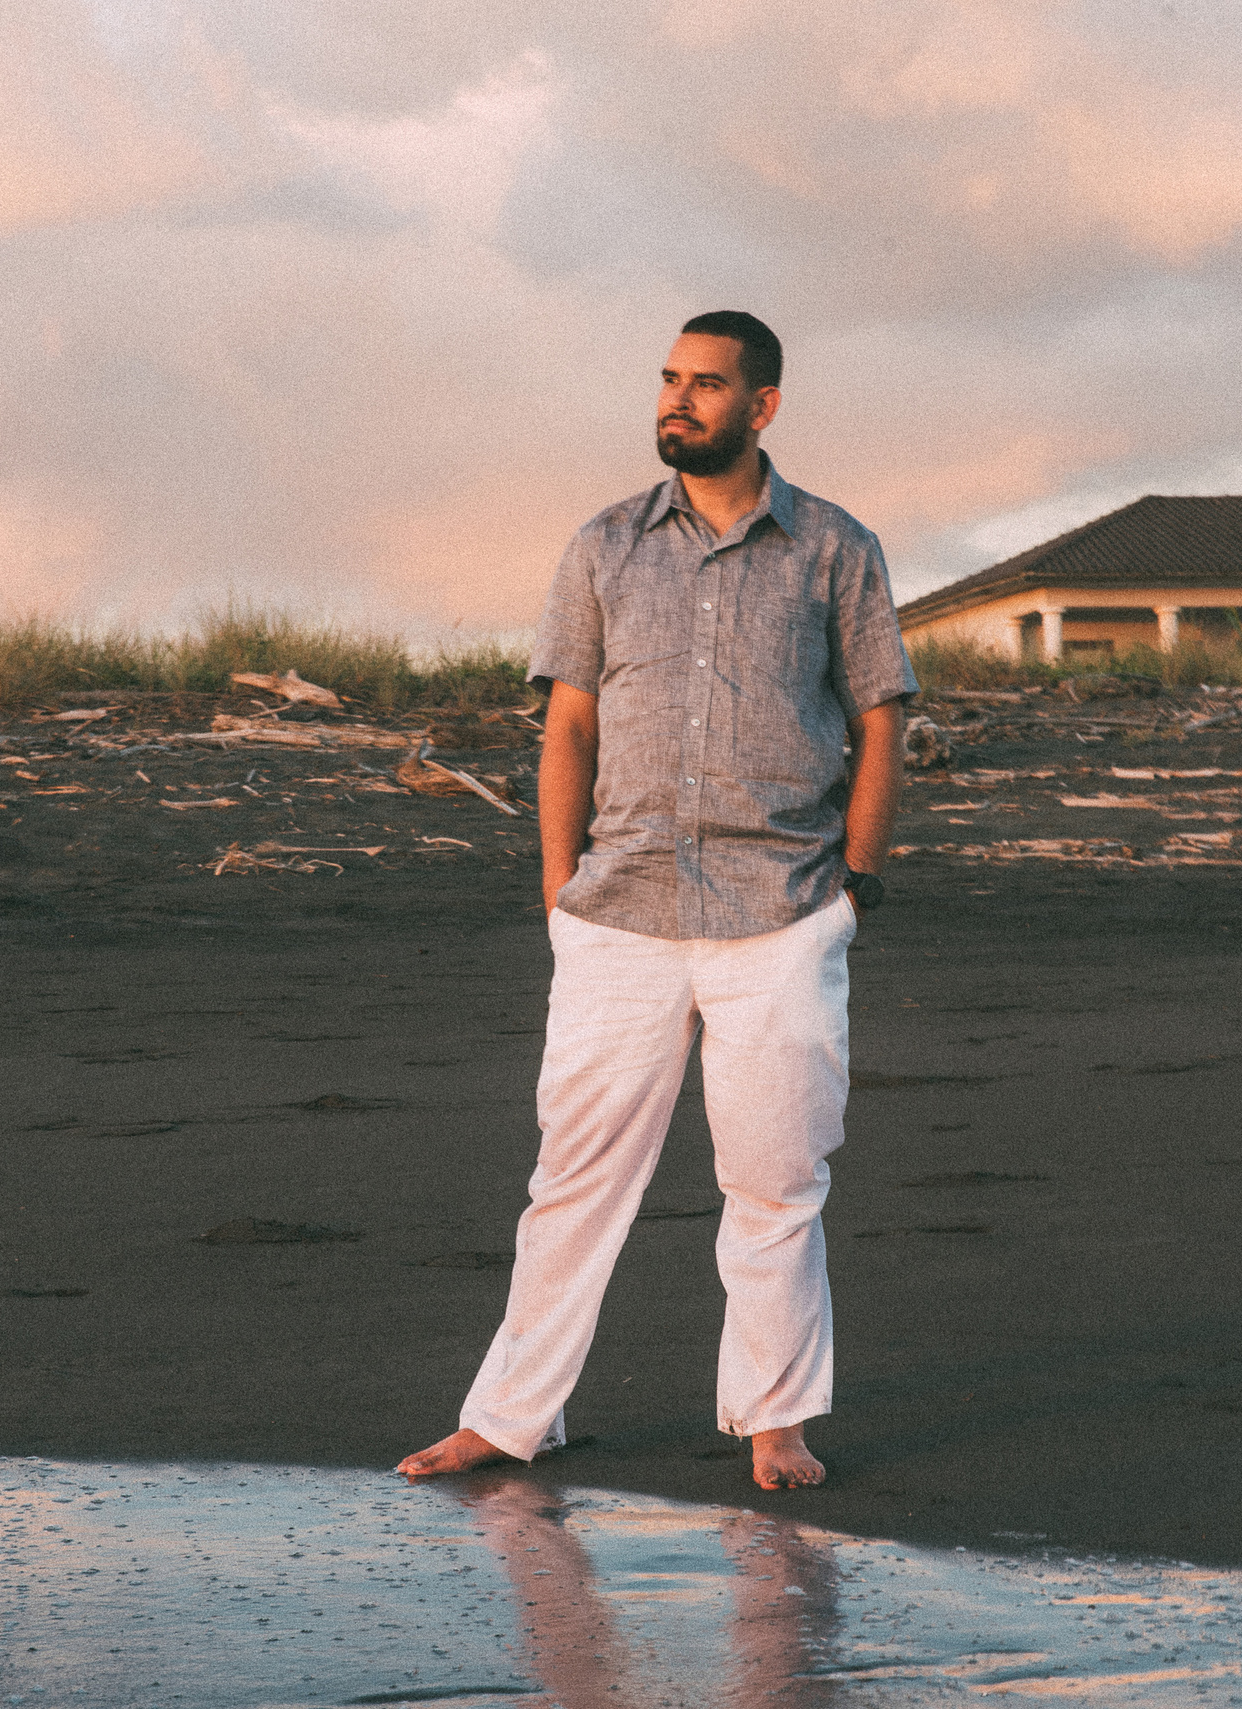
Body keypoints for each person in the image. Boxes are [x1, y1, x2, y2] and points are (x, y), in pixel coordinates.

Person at [400, 311, 915, 1493]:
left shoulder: (836, 546)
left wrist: (859, 877)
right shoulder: (602, 546)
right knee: (574, 1175)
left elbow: (883, 715)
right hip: (616, 912)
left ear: (762, 405)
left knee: (776, 1178)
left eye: (706, 385)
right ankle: (509, 1416)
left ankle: (774, 1419)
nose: (678, 402)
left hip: (779, 907)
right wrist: (556, 890)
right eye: (669, 381)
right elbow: (567, 722)